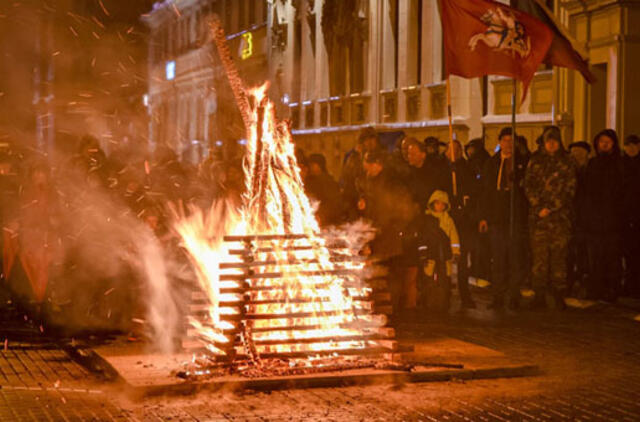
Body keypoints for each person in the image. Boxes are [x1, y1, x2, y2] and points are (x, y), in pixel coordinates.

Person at [524, 126, 577, 309]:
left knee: (559, 259)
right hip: (539, 220)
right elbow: (528, 185)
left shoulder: (567, 161)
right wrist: (538, 207)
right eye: (549, 140)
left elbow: (570, 189)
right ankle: (539, 294)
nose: (552, 144)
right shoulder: (536, 161)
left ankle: (558, 294)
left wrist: (552, 207)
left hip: (559, 219)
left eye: (555, 140)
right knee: (539, 259)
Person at [357, 151, 415, 313]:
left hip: (388, 235)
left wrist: (390, 229)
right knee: (379, 275)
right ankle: (384, 311)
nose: (366, 169)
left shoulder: (390, 183)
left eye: (368, 166)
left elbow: (393, 209)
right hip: (379, 234)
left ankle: (393, 311)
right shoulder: (372, 181)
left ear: (377, 164)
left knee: (392, 275)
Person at [478, 127, 529, 310]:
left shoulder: (523, 162)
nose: (507, 144)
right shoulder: (491, 164)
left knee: (515, 258)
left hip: (515, 217)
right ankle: (498, 296)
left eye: (511, 140)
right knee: (498, 259)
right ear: (499, 142)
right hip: (497, 217)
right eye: (504, 140)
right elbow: (485, 192)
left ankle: (514, 295)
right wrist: (483, 216)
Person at [584, 129, 624, 301]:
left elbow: (625, 193)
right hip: (594, 221)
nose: (604, 144)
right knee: (595, 258)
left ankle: (612, 289)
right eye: (601, 141)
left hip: (614, 221)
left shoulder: (620, 165)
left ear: (613, 144)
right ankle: (596, 288)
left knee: (612, 258)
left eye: (608, 141)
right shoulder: (592, 164)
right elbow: (585, 192)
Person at [444, 140, 476, 308]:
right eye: (451, 150)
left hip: (463, 220)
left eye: (457, 150)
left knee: (462, 258)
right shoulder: (442, 168)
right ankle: (444, 292)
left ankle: (465, 294)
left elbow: (472, 188)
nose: (453, 153)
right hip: (446, 219)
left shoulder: (466, 168)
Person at [421, 190, 460, 313]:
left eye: (443, 204)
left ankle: (444, 304)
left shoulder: (448, 220)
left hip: (444, 255)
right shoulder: (427, 220)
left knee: (444, 280)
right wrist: (423, 254)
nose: (440, 206)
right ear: (432, 204)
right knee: (428, 279)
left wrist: (456, 252)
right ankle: (428, 303)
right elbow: (423, 238)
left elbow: (454, 237)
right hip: (431, 255)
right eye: (438, 203)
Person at [465, 138, 491, 282]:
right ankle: (477, 267)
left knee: (481, 243)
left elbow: (482, 188)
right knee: (475, 242)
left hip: (479, 207)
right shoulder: (471, 163)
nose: (469, 151)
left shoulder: (482, 162)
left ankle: (481, 269)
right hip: (473, 208)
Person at [567, 141, 591, 296]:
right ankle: (569, 279)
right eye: (574, 152)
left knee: (584, 250)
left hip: (586, 217)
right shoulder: (567, 169)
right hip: (569, 216)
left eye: (580, 152)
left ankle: (583, 277)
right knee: (568, 250)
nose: (576, 155)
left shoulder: (591, 170)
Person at [341, 127, 379, 220]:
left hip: (377, 202)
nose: (370, 142)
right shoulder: (354, 159)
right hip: (357, 202)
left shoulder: (381, 156)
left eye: (372, 139)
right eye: (367, 139)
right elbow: (348, 181)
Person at [406, 138, 447, 213]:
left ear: (423, 155)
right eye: (409, 153)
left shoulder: (435, 172)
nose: (409, 156)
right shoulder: (408, 173)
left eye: (413, 154)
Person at [622, 134, 640, 298]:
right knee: (628, 252)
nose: (631, 148)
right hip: (625, 215)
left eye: (634, 145)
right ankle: (629, 284)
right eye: (628, 145)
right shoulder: (621, 164)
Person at [305, 153, 342, 227]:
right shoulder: (309, 180)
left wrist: (322, 216)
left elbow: (333, 204)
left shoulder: (328, 181)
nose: (310, 167)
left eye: (312, 165)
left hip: (327, 221)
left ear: (319, 165)